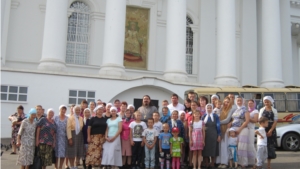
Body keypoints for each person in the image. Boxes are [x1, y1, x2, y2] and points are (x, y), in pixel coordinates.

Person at [228, 96, 250, 168]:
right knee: (235, 147)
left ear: (243, 101)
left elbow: (247, 121)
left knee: (242, 146)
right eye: (238, 101)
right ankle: (235, 162)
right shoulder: (235, 110)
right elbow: (234, 119)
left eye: (240, 100)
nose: (239, 102)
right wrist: (231, 123)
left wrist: (240, 129)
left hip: (242, 129)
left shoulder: (245, 110)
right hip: (234, 128)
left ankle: (243, 163)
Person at [258, 96, 278, 169]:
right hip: (263, 129)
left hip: (271, 129)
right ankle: (259, 164)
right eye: (265, 102)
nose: (266, 103)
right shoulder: (261, 110)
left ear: (270, 102)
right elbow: (259, 120)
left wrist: (270, 130)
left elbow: (275, 121)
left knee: (270, 147)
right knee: (262, 147)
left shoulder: (274, 110)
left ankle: (268, 165)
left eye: (267, 102)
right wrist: (262, 132)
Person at [216, 97, 236, 168]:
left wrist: (218, 122)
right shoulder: (222, 109)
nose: (226, 103)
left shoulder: (231, 109)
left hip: (226, 129)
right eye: (225, 102)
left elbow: (227, 120)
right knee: (220, 146)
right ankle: (220, 161)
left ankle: (225, 162)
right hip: (221, 129)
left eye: (227, 102)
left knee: (225, 146)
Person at [202, 104, 221, 168]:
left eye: (210, 108)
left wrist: (219, 135)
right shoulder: (204, 116)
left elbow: (218, 125)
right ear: (206, 109)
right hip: (206, 134)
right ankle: (207, 163)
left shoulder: (215, 116)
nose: (209, 109)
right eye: (208, 108)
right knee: (206, 149)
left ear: (212, 109)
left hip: (213, 133)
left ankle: (212, 163)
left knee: (213, 148)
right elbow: (201, 124)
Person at [185, 101, 198, 169]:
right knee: (190, 149)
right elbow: (186, 124)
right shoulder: (188, 114)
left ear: (197, 106)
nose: (193, 106)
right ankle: (190, 163)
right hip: (190, 133)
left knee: (196, 150)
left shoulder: (200, 114)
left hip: (197, 134)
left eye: (195, 105)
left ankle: (195, 163)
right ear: (190, 106)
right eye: (192, 105)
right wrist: (186, 133)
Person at [248, 99, 259, 166]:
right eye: (249, 103)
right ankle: (250, 162)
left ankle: (256, 161)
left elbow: (255, 120)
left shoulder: (255, 111)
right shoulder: (247, 110)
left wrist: (248, 119)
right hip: (246, 129)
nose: (250, 104)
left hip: (251, 129)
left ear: (254, 104)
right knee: (247, 146)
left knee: (251, 145)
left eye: (251, 103)